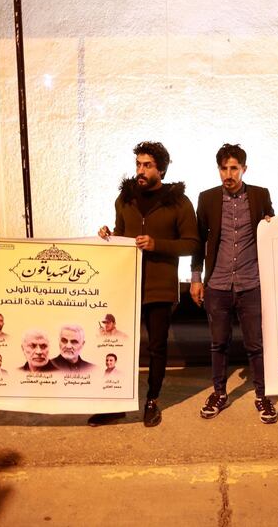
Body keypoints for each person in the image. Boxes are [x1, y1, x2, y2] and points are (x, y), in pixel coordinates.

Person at [91, 141, 199, 427]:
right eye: (138, 164)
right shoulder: (125, 200)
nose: (140, 170)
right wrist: (108, 235)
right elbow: (121, 234)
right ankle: (116, 402)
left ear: (160, 169)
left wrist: (156, 244)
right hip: (126, 285)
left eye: (147, 165)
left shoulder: (179, 202)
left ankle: (152, 400)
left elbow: (191, 243)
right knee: (118, 344)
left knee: (156, 347)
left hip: (160, 288)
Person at [190, 143, 278, 423]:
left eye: (234, 168)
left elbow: (272, 230)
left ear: (244, 169)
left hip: (252, 282)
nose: (228, 174)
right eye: (223, 168)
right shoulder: (207, 199)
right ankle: (219, 393)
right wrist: (195, 278)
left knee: (256, 344)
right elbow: (198, 241)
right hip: (217, 284)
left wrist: (270, 222)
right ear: (218, 170)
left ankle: (262, 395)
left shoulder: (260, 195)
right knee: (218, 344)